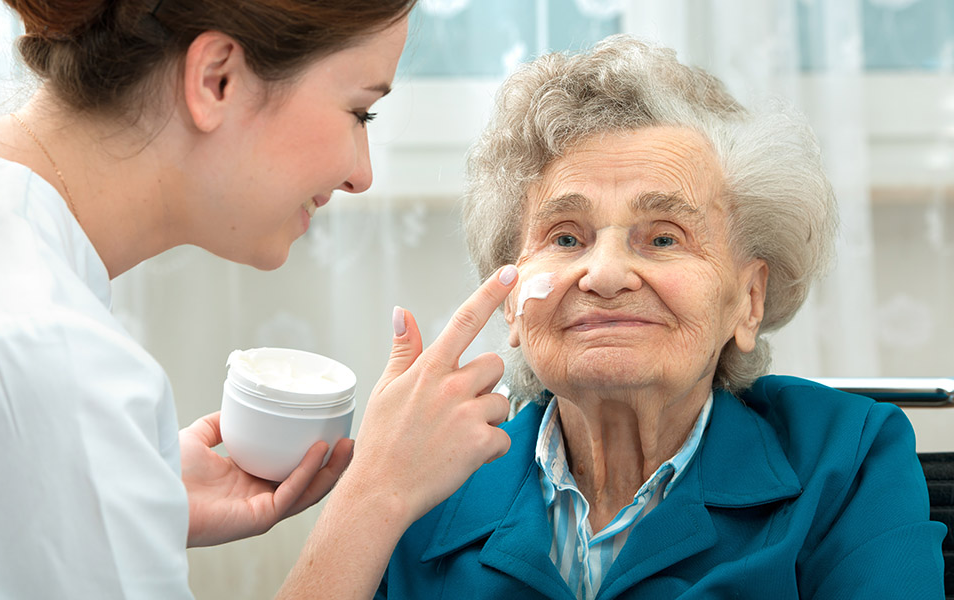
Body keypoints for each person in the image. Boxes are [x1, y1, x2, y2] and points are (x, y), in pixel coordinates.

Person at [0, 1, 517, 598]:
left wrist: (124, 497)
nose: (362, 175)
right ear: (216, 79)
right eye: (360, 112)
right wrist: (377, 494)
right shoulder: (50, 358)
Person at [376, 34, 947, 599]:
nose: (604, 273)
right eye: (567, 236)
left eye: (664, 238)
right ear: (511, 304)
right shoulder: (428, 482)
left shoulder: (844, 460)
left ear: (748, 299)